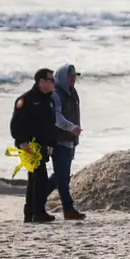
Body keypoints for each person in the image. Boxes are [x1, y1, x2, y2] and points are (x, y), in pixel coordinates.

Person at [10, 68, 63, 224]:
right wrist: (22, 141)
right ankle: (38, 213)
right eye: (51, 80)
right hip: (28, 146)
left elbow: (50, 125)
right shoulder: (25, 100)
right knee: (40, 178)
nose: (54, 83)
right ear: (42, 82)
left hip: (41, 145)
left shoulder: (49, 100)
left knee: (35, 179)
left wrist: (52, 143)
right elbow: (15, 124)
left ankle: (30, 213)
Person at [50, 63, 86, 221]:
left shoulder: (72, 93)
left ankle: (35, 202)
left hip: (71, 140)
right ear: (63, 78)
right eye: (70, 77)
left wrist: (75, 136)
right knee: (62, 178)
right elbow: (57, 118)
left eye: (74, 77)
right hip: (59, 140)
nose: (73, 80)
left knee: (59, 177)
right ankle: (68, 209)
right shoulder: (56, 94)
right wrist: (71, 128)